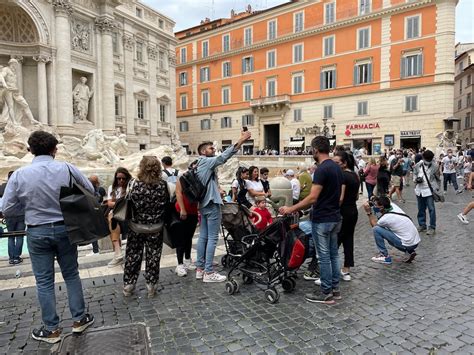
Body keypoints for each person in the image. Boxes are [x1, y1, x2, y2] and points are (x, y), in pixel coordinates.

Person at [2, 131, 94, 343]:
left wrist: (27, 207)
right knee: (71, 274)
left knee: (44, 282)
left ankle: (51, 329)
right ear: (55, 150)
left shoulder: (19, 174)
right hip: (65, 228)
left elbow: (7, 207)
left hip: (36, 230)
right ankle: (79, 319)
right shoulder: (66, 168)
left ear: (30, 150)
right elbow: (89, 190)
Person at [279, 136, 343, 304]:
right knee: (334, 255)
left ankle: (326, 292)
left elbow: (313, 197)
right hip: (335, 217)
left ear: (315, 150)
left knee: (323, 256)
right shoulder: (336, 167)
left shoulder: (321, 169)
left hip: (322, 219)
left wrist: (290, 209)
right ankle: (335, 290)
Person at [195, 130, 252, 282]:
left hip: (202, 204)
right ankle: (208, 272)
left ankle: (200, 268)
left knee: (203, 237)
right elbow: (224, 156)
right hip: (212, 203)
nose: (214, 150)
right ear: (202, 151)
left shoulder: (197, 163)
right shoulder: (207, 162)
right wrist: (241, 140)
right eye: (210, 148)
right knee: (213, 238)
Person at [123, 156, 168, 298]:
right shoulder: (163, 185)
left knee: (133, 255)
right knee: (153, 256)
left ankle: (129, 285)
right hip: (156, 227)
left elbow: (128, 203)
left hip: (136, 226)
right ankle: (151, 286)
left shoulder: (134, 184)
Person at [364, 196, 419, 264]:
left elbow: (374, 225)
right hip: (415, 241)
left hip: (408, 244)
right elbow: (385, 199)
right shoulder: (392, 206)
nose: (374, 207)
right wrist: (374, 199)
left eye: (375, 205)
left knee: (376, 229)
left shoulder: (385, 218)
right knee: (391, 232)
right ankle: (410, 252)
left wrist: (369, 213)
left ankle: (385, 256)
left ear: (381, 208)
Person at [333, 151, 359, 282]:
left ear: (344, 163)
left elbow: (340, 198)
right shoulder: (355, 175)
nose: (334, 164)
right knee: (349, 240)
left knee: (335, 240)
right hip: (353, 211)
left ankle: (331, 270)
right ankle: (346, 270)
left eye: (337, 162)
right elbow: (357, 196)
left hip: (342, 212)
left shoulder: (342, 176)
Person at [106, 167, 132, 267]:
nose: (121, 180)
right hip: (116, 214)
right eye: (118, 178)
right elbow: (109, 203)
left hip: (127, 214)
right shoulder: (112, 188)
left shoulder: (130, 187)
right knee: (111, 219)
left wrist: (116, 203)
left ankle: (118, 254)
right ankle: (118, 253)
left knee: (111, 219)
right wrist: (121, 202)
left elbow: (114, 203)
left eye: (123, 178)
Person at [174, 175, 199, 277]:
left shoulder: (198, 178)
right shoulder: (183, 178)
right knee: (181, 238)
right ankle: (179, 264)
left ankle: (187, 260)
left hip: (193, 211)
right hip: (182, 210)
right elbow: (178, 193)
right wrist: (183, 209)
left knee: (189, 237)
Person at [413, 150, 439, 235]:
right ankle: (422, 225)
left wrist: (437, 188)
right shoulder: (418, 165)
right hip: (419, 190)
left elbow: (437, 178)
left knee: (431, 209)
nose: (427, 161)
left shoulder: (435, 166)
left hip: (429, 190)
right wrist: (415, 179)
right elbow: (415, 173)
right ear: (423, 158)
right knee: (421, 209)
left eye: (429, 160)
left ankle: (432, 227)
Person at [1, 170, 25, 265]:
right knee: (20, 236)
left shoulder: (3, 187)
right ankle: (16, 257)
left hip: (9, 215)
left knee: (10, 236)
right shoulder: (21, 187)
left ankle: (11, 258)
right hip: (21, 214)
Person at [87, 175, 106, 256]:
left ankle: (95, 251)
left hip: (92, 213)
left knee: (92, 232)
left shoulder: (89, 190)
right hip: (100, 212)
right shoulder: (101, 189)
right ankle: (95, 249)